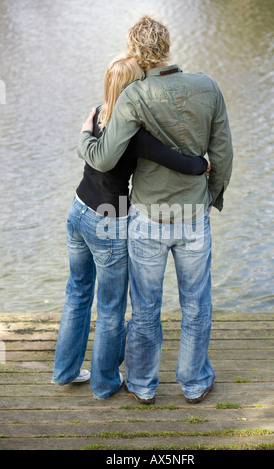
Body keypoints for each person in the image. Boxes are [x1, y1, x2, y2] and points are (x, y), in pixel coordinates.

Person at [78, 16, 233, 404]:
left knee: (145, 308)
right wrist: (211, 196)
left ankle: (144, 385)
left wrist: (84, 136)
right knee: (197, 304)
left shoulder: (134, 96)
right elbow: (223, 154)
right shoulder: (208, 87)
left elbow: (106, 157)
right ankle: (194, 382)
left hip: (148, 218)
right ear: (167, 45)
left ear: (135, 50)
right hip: (193, 216)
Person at [51, 52, 208, 400]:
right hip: (110, 219)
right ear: (136, 87)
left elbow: (90, 148)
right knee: (110, 308)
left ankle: (65, 370)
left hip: (78, 210)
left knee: (77, 293)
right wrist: (201, 165)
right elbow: (179, 162)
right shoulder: (136, 130)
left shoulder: (96, 112)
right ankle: (105, 383)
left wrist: (83, 137)